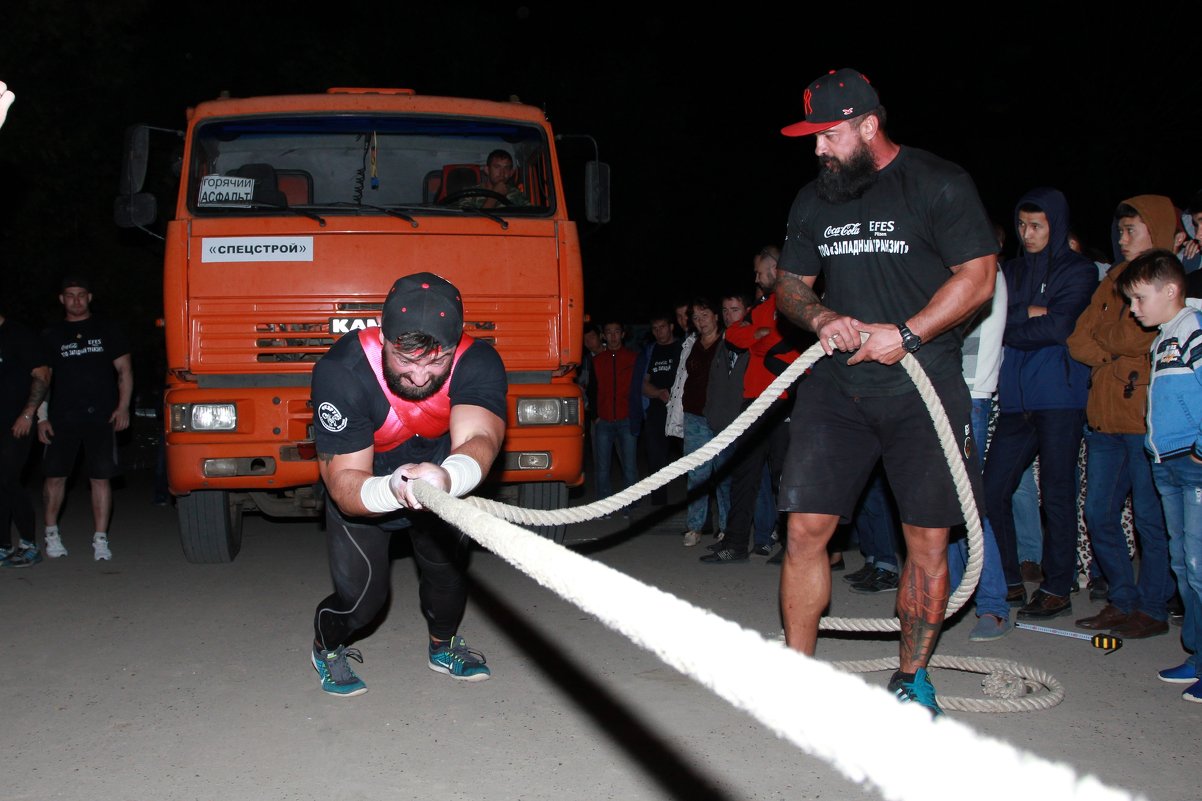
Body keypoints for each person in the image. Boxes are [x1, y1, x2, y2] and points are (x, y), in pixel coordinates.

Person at [772, 67, 998, 716]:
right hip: (838, 389)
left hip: (921, 386)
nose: (817, 148)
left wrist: (909, 331)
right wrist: (820, 317)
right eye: (812, 136)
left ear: (869, 126)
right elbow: (791, 284)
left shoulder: (939, 183)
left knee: (925, 541)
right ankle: (795, 675)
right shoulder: (815, 200)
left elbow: (978, 276)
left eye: (829, 135)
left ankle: (912, 677)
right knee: (805, 530)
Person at [308, 271, 506, 696]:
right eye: (406, 360)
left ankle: (443, 645)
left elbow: (480, 438)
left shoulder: (478, 360)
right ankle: (326, 645)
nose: (420, 377)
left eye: (437, 361)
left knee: (448, 580)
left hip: (441, 481)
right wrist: (391, 487)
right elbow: (343, 480)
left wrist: (448, 479)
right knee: (363, 601)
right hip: (367, 486)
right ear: (384, 339)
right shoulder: (342, 371)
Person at [1067, 196, 1182, 640]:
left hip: (1143, 419)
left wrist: (1109, 343)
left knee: (1152, 521)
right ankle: (1123, 599)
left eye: (1132, 230)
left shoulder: (1168, 279)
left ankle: (1152, 608)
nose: (1122, 238)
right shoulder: (1112, 278)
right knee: (1098, 513)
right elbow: (1078, 340)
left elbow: (1138, 335)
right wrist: (1112, 346)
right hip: (1104, 418)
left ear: (1154, 229)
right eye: (1120, 231)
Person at [982, 188, 1097, 620]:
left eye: (1037, 226)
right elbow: (992, 321)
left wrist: (1022, 319)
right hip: (1014, 401)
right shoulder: (1007, 270)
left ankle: (1056, 586)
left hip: (1059, 398)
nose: (1027, 234)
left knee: (1058, 493)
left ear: (1055, 224)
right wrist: (1028, 313)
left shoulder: (1079, 269)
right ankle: (1008, 580)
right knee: (991, 492)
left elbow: (1061, 327)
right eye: (1022, 226)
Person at [1116, 248, 1202, 702]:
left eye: (1138, 299)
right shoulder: (1163, 337)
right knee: (1181, 564)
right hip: (1167, 463)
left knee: (1198, 566)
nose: (1133, 309)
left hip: (1192, 464)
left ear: (1171, 290)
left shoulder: (1194, 330)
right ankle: (1197, 653)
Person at [705, 246, 803, 563]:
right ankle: (735, 543)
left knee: (783, 477)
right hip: (752, 403)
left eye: (760, 272)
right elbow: (734, 334)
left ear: (776, 269)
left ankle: (792, 545)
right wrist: (759, 337)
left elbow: (785, 346)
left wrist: (761, 338)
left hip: (781, 402)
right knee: (744, 475)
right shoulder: (761, 306)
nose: (756, 277)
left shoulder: (793, 303)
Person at [38, 276, 133, 561]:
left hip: (101, 417)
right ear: (61, 299)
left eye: (81, 295)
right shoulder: (51, 334)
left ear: (89, 297)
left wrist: (123, 406)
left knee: (100, 478)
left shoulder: (108, 329)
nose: (76, 300)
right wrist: (42, 417)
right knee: (55, 477)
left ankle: (100, 539)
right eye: (70, 295)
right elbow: (43, 379)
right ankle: (51, 533)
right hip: (62, 418)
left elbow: (125, 371)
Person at [666, 298, 727, 545]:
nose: (700, 322)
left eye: (705, 316)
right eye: (696, 318)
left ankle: (726, 527)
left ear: (716, 316)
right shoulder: (690, 343)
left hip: (721, 417)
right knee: (696, 474)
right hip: (694, 416)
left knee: (724, 474)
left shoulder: (728, 341)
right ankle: (694, 527)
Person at [0, 312, 49, 567]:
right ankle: (3, 546)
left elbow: (42, 375)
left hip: (17, 422)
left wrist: (29, 414)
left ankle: (29, 544)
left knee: (8, 478)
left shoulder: (18, 334)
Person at [591, 320, 639, 505]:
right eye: (609, 332)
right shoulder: (597, 360)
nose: (613, 336)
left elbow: (638, 389)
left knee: (629, 466)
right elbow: (592, 391)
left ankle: (631, 504)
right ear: (603, 335)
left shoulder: (633, 358)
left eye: (616, 332)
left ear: (623, 334)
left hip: (626, 418)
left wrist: (636, 415)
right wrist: (594, 416)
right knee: (602, 468)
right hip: (603, 421)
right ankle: (603, 505)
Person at [640, 313, 681, 506]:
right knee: (656, 458)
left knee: (692, 459)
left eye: (662, 327)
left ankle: (698, 511)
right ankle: (658, 505)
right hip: (656, 410)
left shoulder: (683, 347)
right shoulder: (650, 351)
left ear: (671, 326)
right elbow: (642, 384)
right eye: (655, 329)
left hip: (681, 410)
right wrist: (657, 393)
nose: (659, 332)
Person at [455, 149, 530, 209]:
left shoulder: (517, 195)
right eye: (497, 167)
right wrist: (494, 196)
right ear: (487, 170)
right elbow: (469, 225)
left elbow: (532, 219)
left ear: (511, 173)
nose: (502, 173)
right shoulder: (469, 194)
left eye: (506, 168)